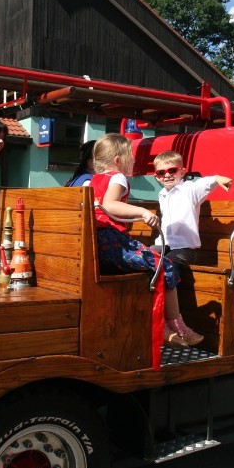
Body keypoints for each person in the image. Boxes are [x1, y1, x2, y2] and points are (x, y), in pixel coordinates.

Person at [90, 133, 203, 348]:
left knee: (154, 265)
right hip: (113, 242)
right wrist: (143, 211)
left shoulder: (93, 180)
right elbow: (111, 204)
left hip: (98, 243)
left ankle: (165, 326)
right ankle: (175, 328)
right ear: (117, 160)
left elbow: (101, 208)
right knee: (166, 266)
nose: (133, 160)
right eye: (130, 155)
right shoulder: (118, 177)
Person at [152, 150, 232, 267]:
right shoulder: (162, 194)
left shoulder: (189, 190)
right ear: (157, 177)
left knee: (166, 265)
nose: (167, 175)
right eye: (161, 172)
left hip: (185, 248)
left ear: (182, 172)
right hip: (163, 244)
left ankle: (172, 286)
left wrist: (217, 178)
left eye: (172, 170)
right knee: (144, 259)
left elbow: (203, 184)